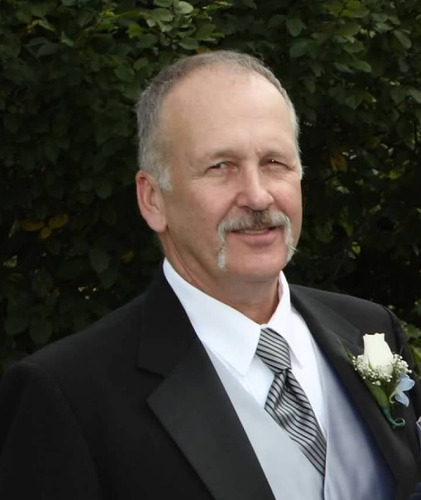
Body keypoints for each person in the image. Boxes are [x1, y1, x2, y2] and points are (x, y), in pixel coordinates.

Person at [0, 50, 420, 500]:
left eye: (274, 162)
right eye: (221, 167)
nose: (258, 196)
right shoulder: (68, 396)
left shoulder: (371, 332)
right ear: (153, 199)